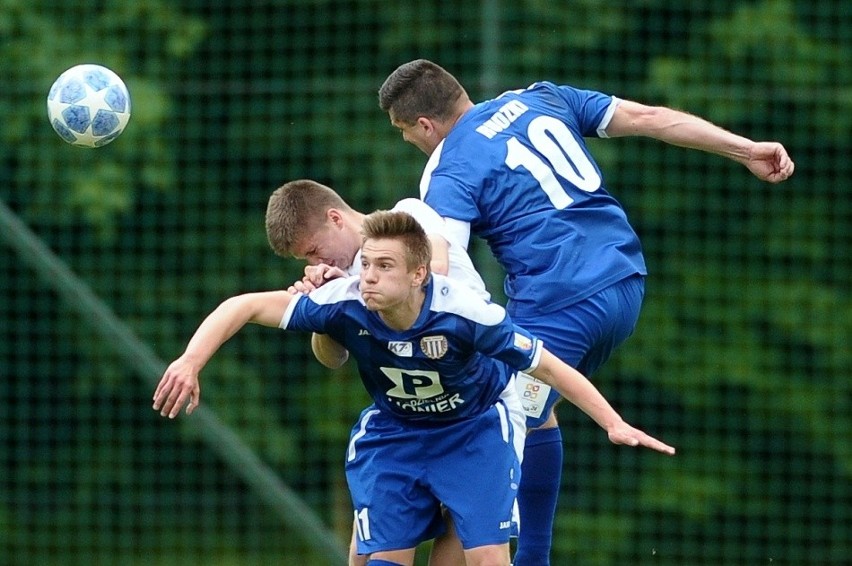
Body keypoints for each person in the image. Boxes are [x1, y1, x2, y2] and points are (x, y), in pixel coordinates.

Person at [378, 59, 794, 565]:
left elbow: (441, 271)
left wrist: (378, 303)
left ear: (424, 124)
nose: (408, 142)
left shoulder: (449, 171)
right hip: (625, 284)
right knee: (535, 409)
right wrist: (745, 148)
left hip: (562, 303)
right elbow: (650, 117)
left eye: (404, 132)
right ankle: (534, 556)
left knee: (480, 429)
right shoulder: (538, 96)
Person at [152, 210, 675, 566]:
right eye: (366, 266)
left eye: (384, 267)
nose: (370, 278)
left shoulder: (465, 314)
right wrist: (190, 361)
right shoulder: (345, 301)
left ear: (420, 273)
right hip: (397, 434)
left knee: (487, 558)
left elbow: (550, 368)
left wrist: (613, 422)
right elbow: (241, 306)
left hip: (475, 433)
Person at [265, 179, 502, 565]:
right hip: (413, 413)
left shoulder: (406, 218)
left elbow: (433, 275)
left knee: (468, 536)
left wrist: (353, 290)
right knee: (370, 543)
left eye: (313, 251)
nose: (315, 264)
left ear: (335, 218)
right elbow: (332, 359)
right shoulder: (348, 284)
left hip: (476, 403)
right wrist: (328, 312)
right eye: (305, 262)